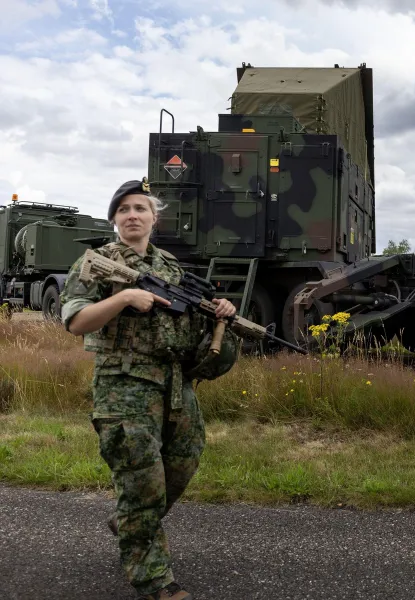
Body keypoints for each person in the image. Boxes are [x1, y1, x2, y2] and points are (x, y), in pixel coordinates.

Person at [60, 178, 236, 600]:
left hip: (176, 385)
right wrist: (123, 299)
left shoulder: (174, 270)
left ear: (155, 219)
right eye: (124, 210)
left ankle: (130, 524)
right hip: (124, 387)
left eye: (140, 208)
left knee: (184, 462)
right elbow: (75, 321)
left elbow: (194, 337)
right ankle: (154, 580)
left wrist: (221, 315)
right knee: (142, 483)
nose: (133, 215)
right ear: (115, 220)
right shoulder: (96, 262)